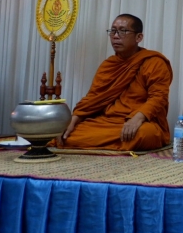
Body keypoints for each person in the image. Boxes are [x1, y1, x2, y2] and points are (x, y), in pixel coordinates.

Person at [59, 14, 173, 151]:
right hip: (107, 122)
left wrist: (137, 119)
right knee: (63, 133)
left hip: (139, 121)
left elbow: (158, 98)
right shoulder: (108, 65)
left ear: (138, 37)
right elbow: (92, 99)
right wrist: (73, 120)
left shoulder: (154, 62)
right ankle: (112, 143)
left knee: (146, 134)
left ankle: (100, 142)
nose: (116, 36)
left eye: (123, 31)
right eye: (113, 31)